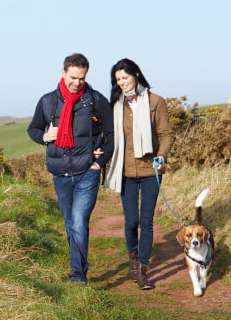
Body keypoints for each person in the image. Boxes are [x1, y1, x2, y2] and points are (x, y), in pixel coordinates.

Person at [27, 53, 114, 285]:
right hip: (60, 175)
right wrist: (45, 136)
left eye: (81, 78)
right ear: (63, 73)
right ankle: (79, 266)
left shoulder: (95, 99)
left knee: (78, 222)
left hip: (87, 173)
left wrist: (99, 162)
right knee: (70, 224)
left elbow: (112, 134)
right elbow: (33, 129)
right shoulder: (47, 101)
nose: (77, 83)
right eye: (73, 77)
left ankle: (77, 275)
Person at [101, 58, 174, 289]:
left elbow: (166, 135)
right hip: (124, 172)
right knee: (131, 222)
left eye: (125, 77)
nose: (122, 83)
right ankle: (132, 259)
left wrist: (162, 156)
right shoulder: (114, 105)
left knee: (146, 221)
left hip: (151, 171)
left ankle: (143, 269)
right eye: (118, 79)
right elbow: (107, 135)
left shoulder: (156, 102)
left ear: (137, 75)